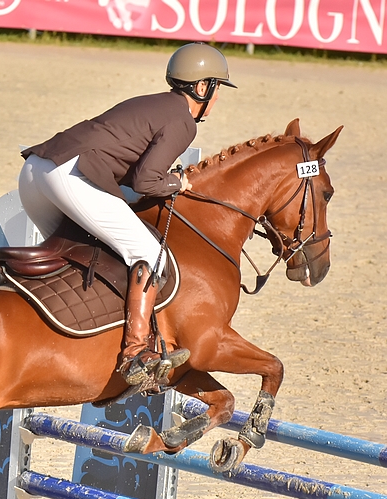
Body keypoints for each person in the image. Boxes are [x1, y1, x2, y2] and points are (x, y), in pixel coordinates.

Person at [18, 43, 235, 390]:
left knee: (77, 251)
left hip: (35, 172)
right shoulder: (182, 121)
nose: (218, 97)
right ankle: (135, 353)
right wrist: (176, 181)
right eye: (217, 88)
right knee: (149, 254)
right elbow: (146, 180)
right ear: (201, 87)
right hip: (70, 176)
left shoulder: (152, 103)